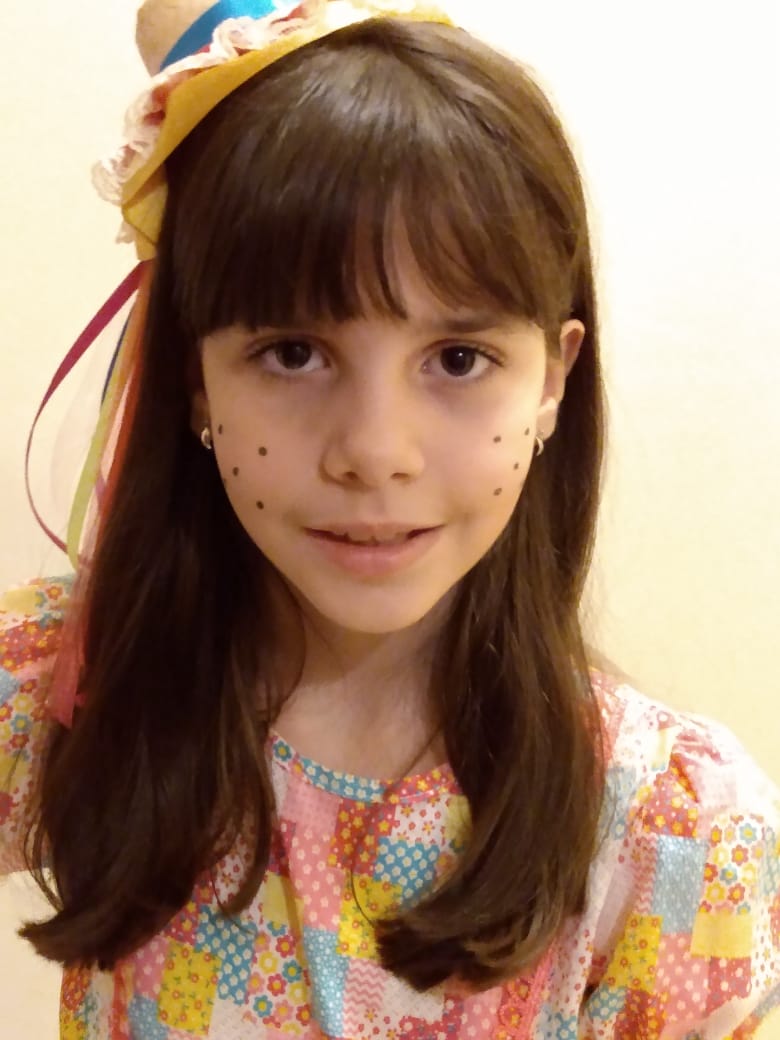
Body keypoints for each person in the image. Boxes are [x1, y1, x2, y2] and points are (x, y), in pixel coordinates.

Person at [1, 0, 778, 1036]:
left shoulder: (674, 832)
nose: (374, 451)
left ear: (552, 380)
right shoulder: (64, 688)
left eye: (458, 359)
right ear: (195, 379)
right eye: (293, 353)